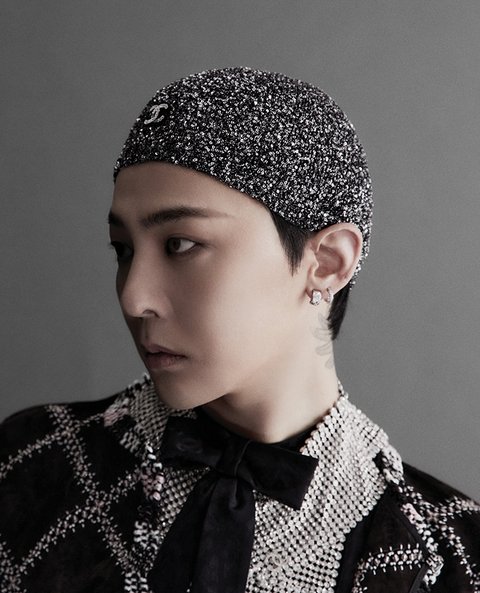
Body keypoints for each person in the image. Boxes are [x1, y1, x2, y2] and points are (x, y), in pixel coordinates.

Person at [0, 67, 478, 593]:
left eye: (181, 244)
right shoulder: (29, 464)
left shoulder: (454, 558)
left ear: (327, 262)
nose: (134, 298)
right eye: (124, 250)